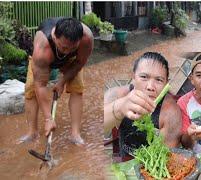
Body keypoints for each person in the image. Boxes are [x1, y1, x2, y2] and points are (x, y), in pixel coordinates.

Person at [18, 17, 93, 145]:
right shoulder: (42, 49)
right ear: (54, 37)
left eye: (72, 48)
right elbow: (40, 85)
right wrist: (48, 118)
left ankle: (75, 134)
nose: (67, 51)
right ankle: (32, 132)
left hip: (71, 62)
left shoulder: (87, 38)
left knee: (77, 88)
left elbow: (80, 62)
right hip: (45, 58)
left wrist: (62, 82)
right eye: (64, 47)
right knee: (31, 90)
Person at [104, 52, 182, 157]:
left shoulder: (171, 111)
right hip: (124, 165)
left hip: (152, 168)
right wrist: (120, 107)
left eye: (159, 80)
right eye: (144, 77)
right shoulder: (117, 95)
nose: (150, 87)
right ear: (133, 77)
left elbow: (166, 157)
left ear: (166, 84)